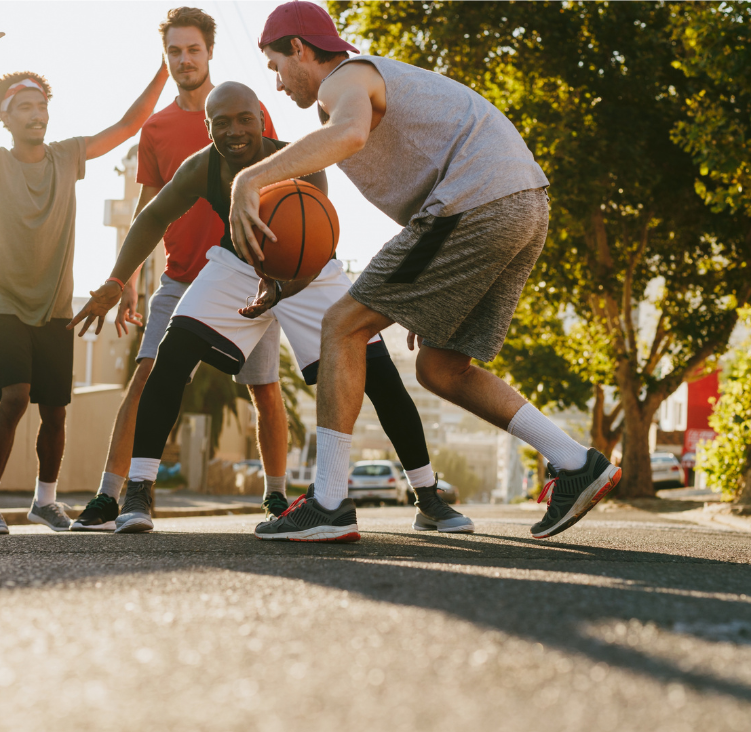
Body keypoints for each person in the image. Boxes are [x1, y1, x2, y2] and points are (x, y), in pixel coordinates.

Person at [230, 1, 622, 541]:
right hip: (522, 205)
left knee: (340, 325)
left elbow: (348, 135)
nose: (277, 84)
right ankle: (577, 463)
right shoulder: (366, 84)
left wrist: (247, 181)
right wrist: (426, 293)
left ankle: (328, 502)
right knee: (441, 368)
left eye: (276, 66)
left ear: (299, 49)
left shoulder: (345, 78)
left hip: (473, 202)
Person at [68, 81, 472, 539]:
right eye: (220, 123)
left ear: (262, 120)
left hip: (309, 268)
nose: (234, 130)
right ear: (208, 128)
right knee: (172, 354)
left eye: (244, 119)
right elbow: (152, 218)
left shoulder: (302, 159)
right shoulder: (202, 168)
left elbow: (319, 243)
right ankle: (138, 490)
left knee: (378, 372)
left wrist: (283, 286)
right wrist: (115, 280)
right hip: (236, 263)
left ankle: (428, 497)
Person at [69, 6, 290, 532]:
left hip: (246, 276)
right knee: (145, 378)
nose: (184, 59)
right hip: (180, 276)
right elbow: (149, 209)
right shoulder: (158, 129)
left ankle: (277, 497)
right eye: (174, 51)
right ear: (165, 57)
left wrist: (278, 271)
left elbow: (278, 184)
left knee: (264, 388)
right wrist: (127, 281)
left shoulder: (244, 111)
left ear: (210, 51)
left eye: (193, 49)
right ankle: (114, 496)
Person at [0, 4, 169, 536]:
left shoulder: (67, 156)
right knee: (15, 398)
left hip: (54, 309)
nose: (36, 114)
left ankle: (44, 502)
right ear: (6, 116)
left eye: (41, 105)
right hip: (6, 302)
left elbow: (128, 125)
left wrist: (165, 67)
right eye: (24, 107)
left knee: (55, 411)